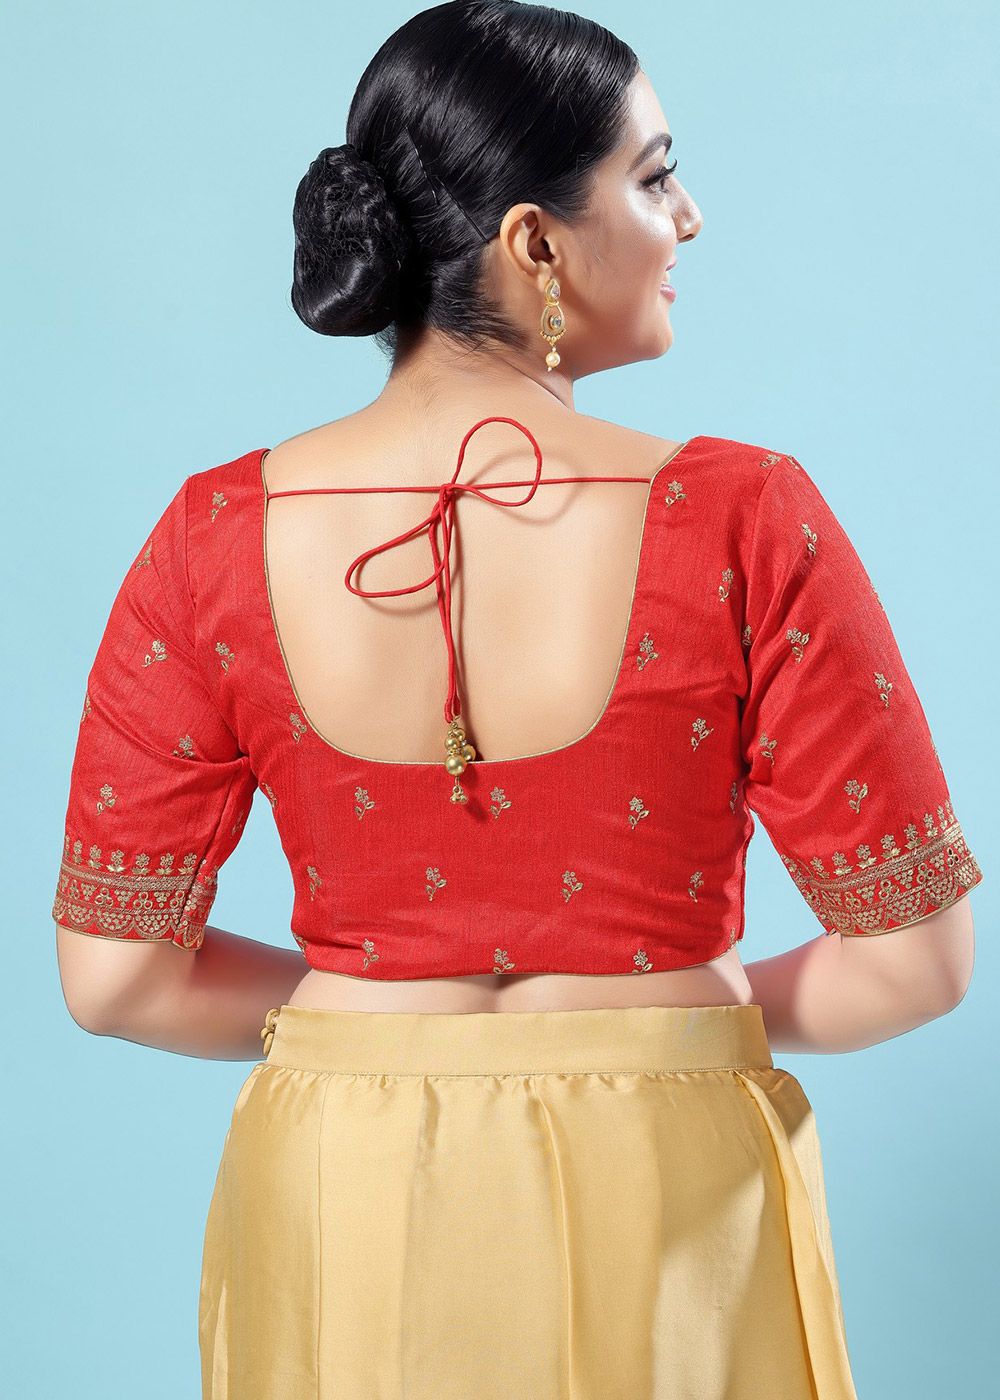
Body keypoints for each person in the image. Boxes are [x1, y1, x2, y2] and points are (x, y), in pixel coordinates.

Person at [51, 3, 983, 1397]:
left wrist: (384, 1014)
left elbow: (115, 977)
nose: (691, 220)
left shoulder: (212, 534)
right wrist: (663, 1019)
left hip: (346, 1189)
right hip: (668, 1187)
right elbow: (915, 961)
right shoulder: (748, 516)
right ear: (535, 243)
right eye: (656, 178)